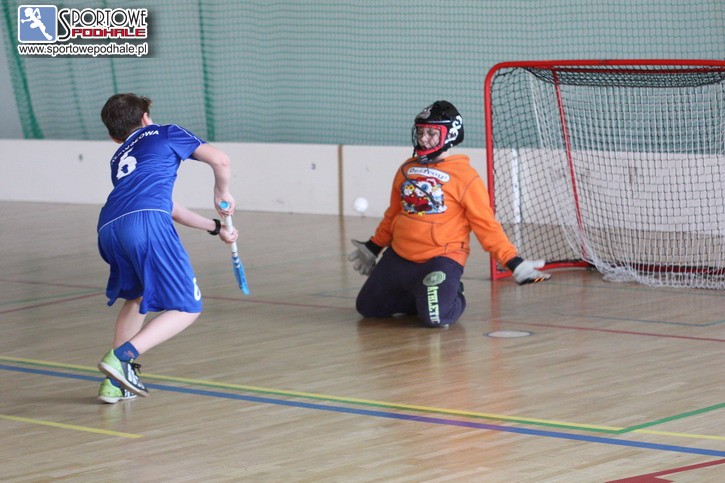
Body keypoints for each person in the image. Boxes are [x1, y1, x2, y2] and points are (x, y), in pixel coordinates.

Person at [347, 100, 550, 328]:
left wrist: (513, 262)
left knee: (437, 318)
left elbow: (485, 225)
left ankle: (451, 292)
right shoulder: (407, 168)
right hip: (400, 256)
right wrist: (374, 246)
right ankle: (425, 294)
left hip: (441, 258)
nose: (424, 138)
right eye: (421, 132)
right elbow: (393, 214)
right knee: (368, 308)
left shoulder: (466, 176)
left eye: (432, 133)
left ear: (450, 135)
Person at [95, 93, 238, 403]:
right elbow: (220, 159)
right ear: (146, 117)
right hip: (146, 224)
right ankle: (121, 358)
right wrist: (222, 191)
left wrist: (215, 227)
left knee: (137, 296)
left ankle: (115, 384)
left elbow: (168, 205)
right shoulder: (164, 132)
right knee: (187, 307)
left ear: (113, 136)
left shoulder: (118, 158)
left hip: (108, 228)